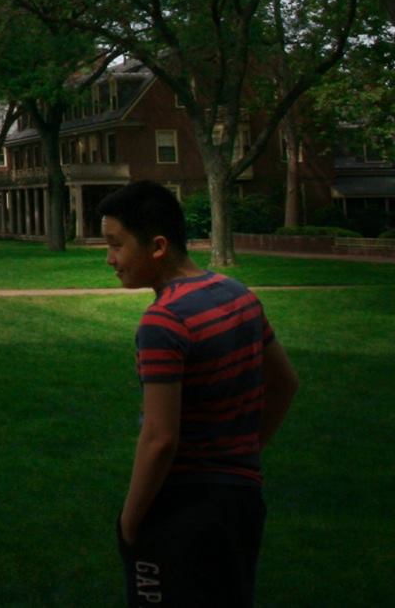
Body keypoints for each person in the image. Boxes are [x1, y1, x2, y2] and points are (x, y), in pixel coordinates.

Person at [100, 180, 300, 608]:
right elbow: (285, 383)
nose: (109, 259)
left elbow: (159, 439)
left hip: (180, 508)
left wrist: (130, 523)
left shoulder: (163, 322)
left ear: (157, 246)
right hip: (241, 501)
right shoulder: (237, 295)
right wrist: (243, 451)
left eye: (116, 245)